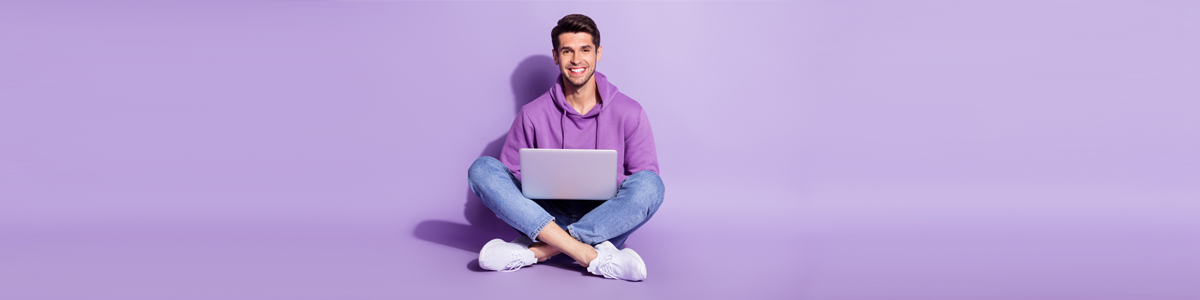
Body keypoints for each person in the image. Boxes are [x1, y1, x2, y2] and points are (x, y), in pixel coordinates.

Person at [467, 14, 664, 281]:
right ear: (556, 56)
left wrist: (604, 181)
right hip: (545, 215)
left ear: (598, 53)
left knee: (652, 185)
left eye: (585, 50)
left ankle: (536, 252)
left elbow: (643, 179)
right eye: (567, 51)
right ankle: (591, 255)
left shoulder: (630, 112)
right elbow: (510, 177)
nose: (576, 60)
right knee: (482, 169)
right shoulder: (532, 113)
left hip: (605, 217)